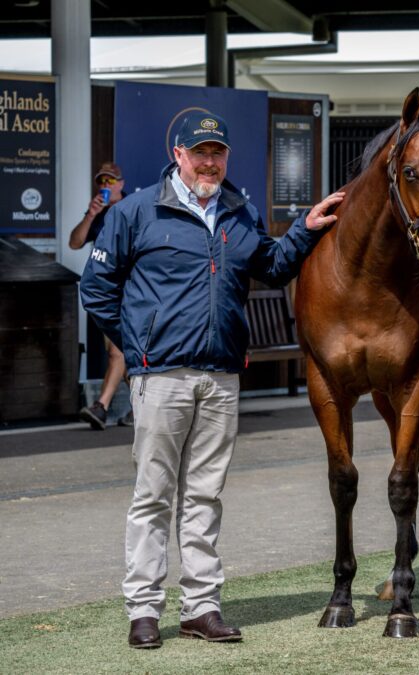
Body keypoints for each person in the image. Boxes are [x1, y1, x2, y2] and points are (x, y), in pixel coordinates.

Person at [80, 112, 345, 649]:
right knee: (153, 494)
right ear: (178, 155)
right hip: (161, 377)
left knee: (205, 495)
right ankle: (145, 610)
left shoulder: (237, 210)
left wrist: (305, 229)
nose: (209, 162)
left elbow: (271, 265)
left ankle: (201, 608)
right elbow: (97, 287)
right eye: (199, 152)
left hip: (220, 377)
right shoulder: (136, 211)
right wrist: (138, 347)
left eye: (217, 153)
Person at [70, 162, 131, 429]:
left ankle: (101, 407)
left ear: (121, 184)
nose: (106, 186)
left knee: (118, 350)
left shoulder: (133, 208)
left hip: (133, 290)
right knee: (122, 352)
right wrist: (91, 215)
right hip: (108, 292)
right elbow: (74, 242)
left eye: (111, 181)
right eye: (102, 182)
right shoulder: (98, 212)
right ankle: (144, 408)